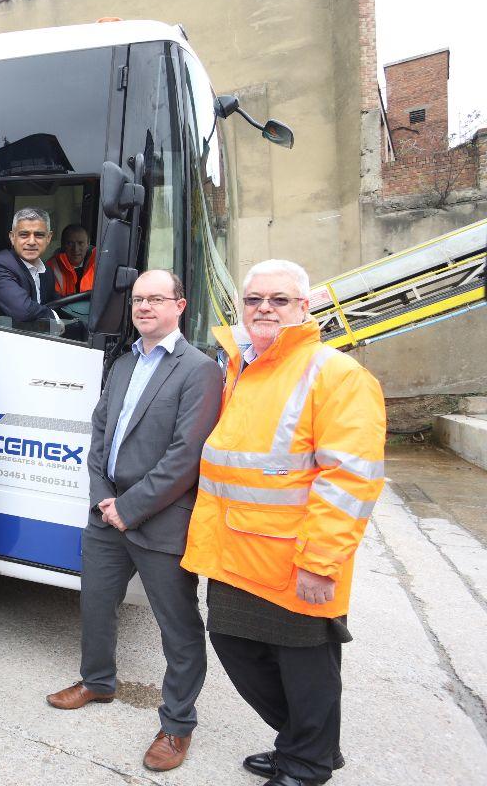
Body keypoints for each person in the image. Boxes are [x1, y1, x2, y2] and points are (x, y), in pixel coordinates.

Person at [180, 259, 387, 786]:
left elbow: (351, 480)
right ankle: (306, 744)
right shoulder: (239, 367)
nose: (265, 308)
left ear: (305, 306)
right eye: (254, 300)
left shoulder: (336, 375)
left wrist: (321, 561)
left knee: (305, 664)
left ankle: (307, 763)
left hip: (294, 557)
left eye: (279, 299)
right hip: (233, 549)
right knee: (235, 644)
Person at [46, 270, 222, 772]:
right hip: (108, 513)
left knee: (179, 628)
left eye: (155, 299)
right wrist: (105, 498)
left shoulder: (199, 370)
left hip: (160, 520)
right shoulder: (124, 363)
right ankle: (97, 681)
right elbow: (100, 433)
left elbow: (186, 455)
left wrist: (131, 507)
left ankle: (176, 725)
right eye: (138, 299)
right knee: (96, 603)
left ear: (180, 306)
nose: (144, 307)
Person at [0, 207, 58, 324]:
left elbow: (54, 301)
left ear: (49, 238)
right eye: (24, 235)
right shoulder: (0, 264)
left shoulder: (47, 271)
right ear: (12, 237)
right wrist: (54, 317)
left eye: (39, 235)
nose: (31, 242)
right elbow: (23, 311)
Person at [49, 223, 96, 296]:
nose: (76, 249)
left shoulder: (100, 263)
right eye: (70, 243)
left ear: (88, 244)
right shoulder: (51, 267)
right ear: (63, 245)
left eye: (80, 243)